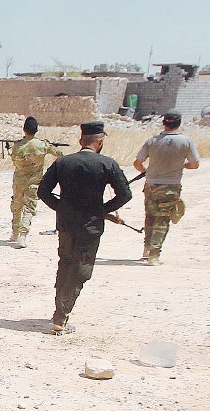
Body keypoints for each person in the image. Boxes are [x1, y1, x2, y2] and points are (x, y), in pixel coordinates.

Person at [37, 121, 133, 335]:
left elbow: (43, 192)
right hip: (90, 226)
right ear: (101, 141)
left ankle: (59, 310)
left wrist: (61, 207)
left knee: (66, 263)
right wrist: (102, 210)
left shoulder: (63, 163)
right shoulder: (108, 164)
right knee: (81, 268)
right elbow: (125, 194)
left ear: (81, 141)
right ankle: (61, 317)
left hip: (66, 224)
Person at [134, 109, 199, 265]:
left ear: (163, 123)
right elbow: (195, 164)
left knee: (150, 217)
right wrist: (181, 165)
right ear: (179, 123)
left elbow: (137, 163)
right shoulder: (186, 141)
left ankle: (147, 249)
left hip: (151, 185)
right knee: (162, 220)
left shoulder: (152, 141)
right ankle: (154, 255)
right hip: (171, 185)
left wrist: (146, 172)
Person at [8, 117, 64, 248]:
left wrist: (15, 145)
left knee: (17, 207)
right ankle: (22, 236)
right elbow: (60, 154)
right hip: (34, 182)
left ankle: (15, 232)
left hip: (18, 182)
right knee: (29, 208)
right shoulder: (42, 145)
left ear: (24, 129)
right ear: (36, 130)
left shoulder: (17, 146)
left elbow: (15, 161)